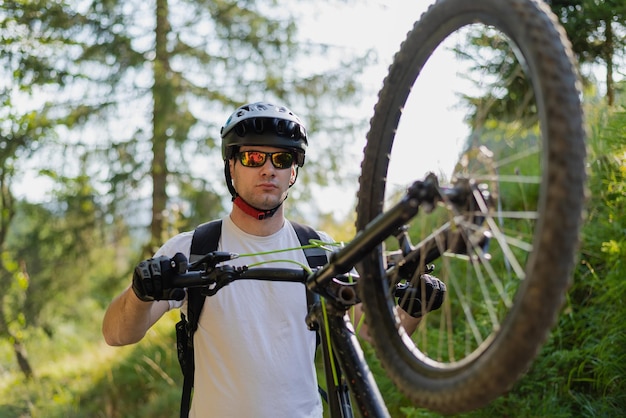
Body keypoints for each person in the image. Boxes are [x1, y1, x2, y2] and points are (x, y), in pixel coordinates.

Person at [102, 101, 444, 417]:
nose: (268, 169)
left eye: (281, 159)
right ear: (231, 166)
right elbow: (116, 334)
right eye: (253, 157)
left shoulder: (317, 249)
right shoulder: (192, 248)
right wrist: (140, 293)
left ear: (292, 172)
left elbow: (372, 331)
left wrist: (413, 307)